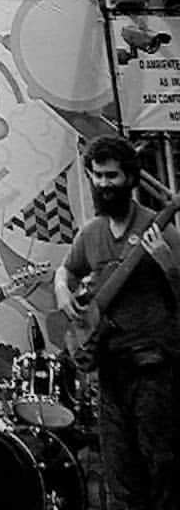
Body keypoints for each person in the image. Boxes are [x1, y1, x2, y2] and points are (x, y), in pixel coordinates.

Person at [54, 134, 180, 510]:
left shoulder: (159, 228)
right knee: (119, 476)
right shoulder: (92, 233)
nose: (104, 184)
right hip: (110, 370)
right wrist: (63, 291)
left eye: (112, 176)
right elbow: (66, 270)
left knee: (163, 470)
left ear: (130, 178)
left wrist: (166, 263)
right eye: (97, 176)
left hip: (154, 370)